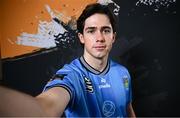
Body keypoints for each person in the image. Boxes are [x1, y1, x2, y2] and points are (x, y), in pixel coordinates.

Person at [0, 3, 136, 117]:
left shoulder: (122, 72)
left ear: (113, 37)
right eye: (91, 31)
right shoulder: (71, 75)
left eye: (106, 30)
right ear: (81, 37)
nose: (99, 37)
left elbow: (127, 109)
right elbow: (45, 109)